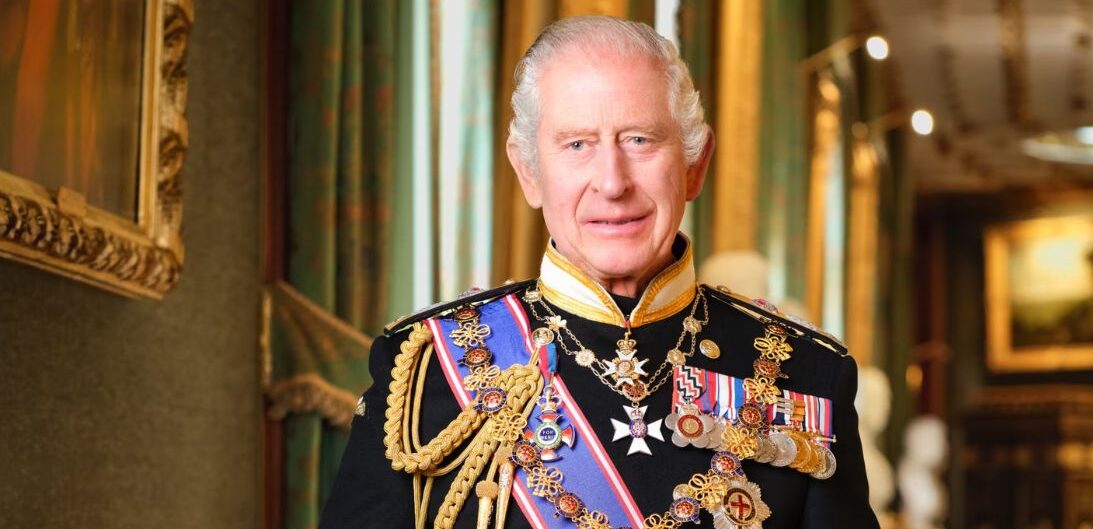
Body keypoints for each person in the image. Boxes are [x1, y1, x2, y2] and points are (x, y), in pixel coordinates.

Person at [320, 16, 878, 529]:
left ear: (694, 164)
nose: (612, 182)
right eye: (577, 144)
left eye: (639, 139)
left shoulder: (805, 375)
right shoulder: (426, 368)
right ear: (529, 172)